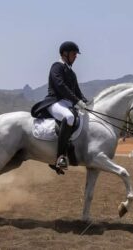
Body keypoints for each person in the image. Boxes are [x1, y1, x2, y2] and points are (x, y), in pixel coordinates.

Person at [31, 41, 88, 169]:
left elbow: (77, 91)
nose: (76, 57)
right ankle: (60, 157)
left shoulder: (71, 72)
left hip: (68, 104)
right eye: (74, 54)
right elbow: (60, 86)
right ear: (65, 54)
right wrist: (76, 101)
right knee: (69, 118)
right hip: (55, 102)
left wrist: (85, 101)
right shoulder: (56, 66)